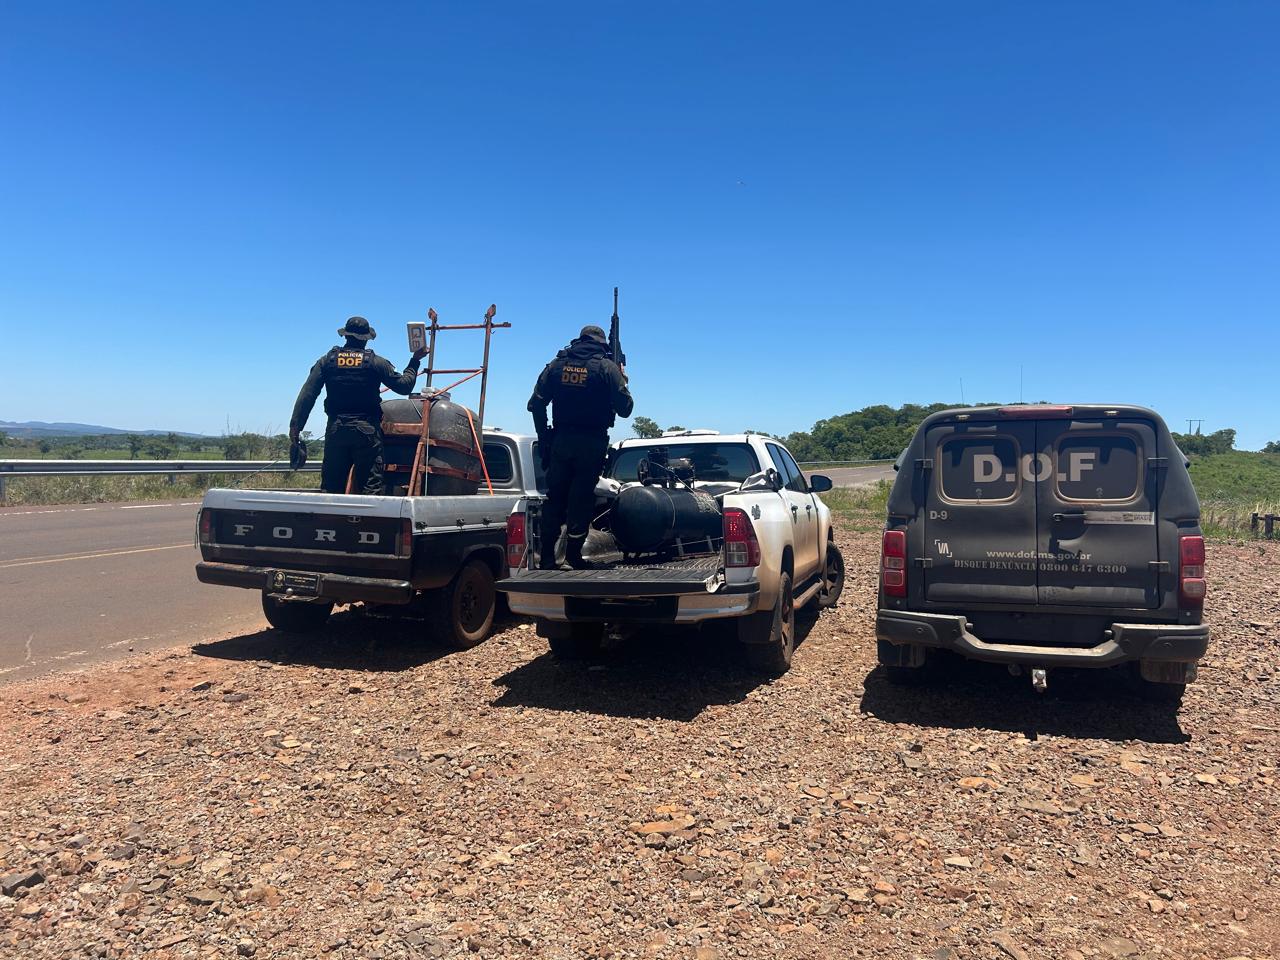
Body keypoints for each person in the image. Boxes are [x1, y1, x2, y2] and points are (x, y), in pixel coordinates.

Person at [528, 324, 633, 569]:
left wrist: (545, 439)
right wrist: (623, 379)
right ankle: (573, 556)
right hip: (591, 442)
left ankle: (546, 557)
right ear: (601, 343)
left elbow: (536, 404)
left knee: (555, 500)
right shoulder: (606, 368)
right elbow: (626, 410)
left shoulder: (556, 365)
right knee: (581, 500)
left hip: (560, 441)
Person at [290, 316, 428, 495]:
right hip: (367, 432)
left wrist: (295, 427)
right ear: (366, 339)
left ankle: (332, 522)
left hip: (336, 430)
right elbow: (404, 386)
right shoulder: (375, 362)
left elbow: (307, 395)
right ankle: (365, 522)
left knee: (331, 488)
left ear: (346, 336)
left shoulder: (327, 361)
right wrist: (415, 360)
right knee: (369, 489)